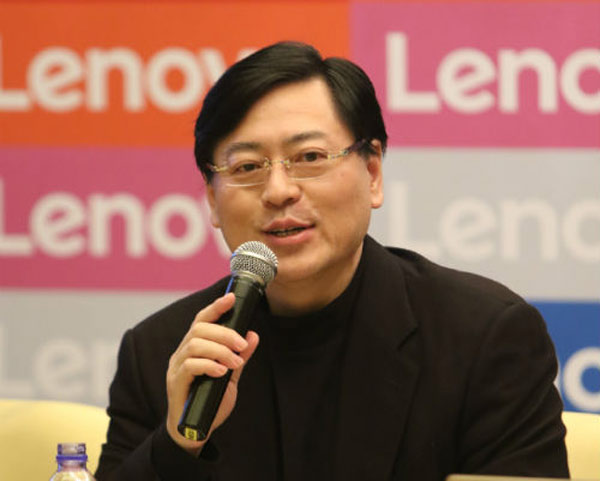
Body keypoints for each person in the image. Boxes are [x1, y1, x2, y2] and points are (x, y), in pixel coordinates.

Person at [95, 41, 569, 481]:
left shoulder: (484, 338)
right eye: (247, 167)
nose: (279, 190)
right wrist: (178, 444)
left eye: (309, 156)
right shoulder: (160, 352)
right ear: (213, 201)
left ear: (373, 172)